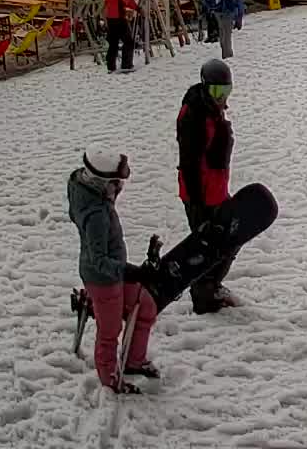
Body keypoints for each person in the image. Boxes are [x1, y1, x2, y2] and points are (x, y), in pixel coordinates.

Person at [66, 151, 160, 393]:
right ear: (100, 182)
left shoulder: (85, 190)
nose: (120, 187)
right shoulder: (96, 215)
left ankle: (133, 362)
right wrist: (134, 272)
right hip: (104, 280)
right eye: (115, 183)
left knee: (146, 307)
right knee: (109, 332)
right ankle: (110, 379)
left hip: (114, 273)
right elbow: (99, 260)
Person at [178, 58, 241, 313]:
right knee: (209, 246)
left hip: (216, 191)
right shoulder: (194, 115)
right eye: (217, 92)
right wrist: (198, 205)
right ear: (205, 88)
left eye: (226, 92)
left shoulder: (211, 109)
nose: (221, 98)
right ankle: (204, 296)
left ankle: (212, 286)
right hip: (201, 196)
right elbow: (190, 164)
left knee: (229, 240)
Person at [103, 0, 138, 74]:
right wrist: (137, 7)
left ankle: (110, 66)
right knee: (128, 41)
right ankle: (126, 65)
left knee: (113, 43)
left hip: (110, 16)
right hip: (118, 16)